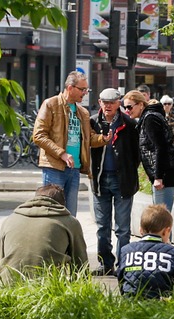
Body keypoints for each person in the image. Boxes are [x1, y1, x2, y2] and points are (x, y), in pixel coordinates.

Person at [31, 71, 109, 215]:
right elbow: (38, 135)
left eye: (87, 89)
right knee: (52, 212)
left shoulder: (83, 112)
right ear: (70, 88)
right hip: (54, 167)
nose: (85, 93)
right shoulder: (51, 104)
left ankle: (68, 238)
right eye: (82, 89)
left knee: (70, 215)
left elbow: (88, 139)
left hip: (74, 169)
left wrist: (102, 139)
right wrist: (62, 154)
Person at [88, 88, 141, 275]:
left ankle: (123, 265)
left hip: (123, 180)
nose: (108, 105)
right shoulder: (92, 122)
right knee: (102, 226)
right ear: (99, 102)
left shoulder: (129, 124)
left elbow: (137, 154)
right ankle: (105, 264)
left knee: (123, 228)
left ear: (119, 103)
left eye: (112, 102)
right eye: (104, 101)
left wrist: (129, 171)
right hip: (100, 180)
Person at [0, 185, 88, 281]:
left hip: (11, 284)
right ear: (61, 204)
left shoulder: (10, 220)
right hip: (48, 287)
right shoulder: (69, 222)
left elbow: (0, 258)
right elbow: (80, 262)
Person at [115, 204, 174, 299]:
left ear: (140, 230)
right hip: (161, 303)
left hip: (131, 302)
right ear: (166, 231)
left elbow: (121, 279)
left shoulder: (126, 250)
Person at [138, 92, 174, 210]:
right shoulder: (152, 117)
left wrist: (158, 177)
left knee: (161, 218)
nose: (127, 110)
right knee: (161, 217)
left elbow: (160, 147)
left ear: (140, 105)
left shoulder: (151, 118)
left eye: (129, 107)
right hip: (164, 173)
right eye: (165, 104)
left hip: (164, 175)